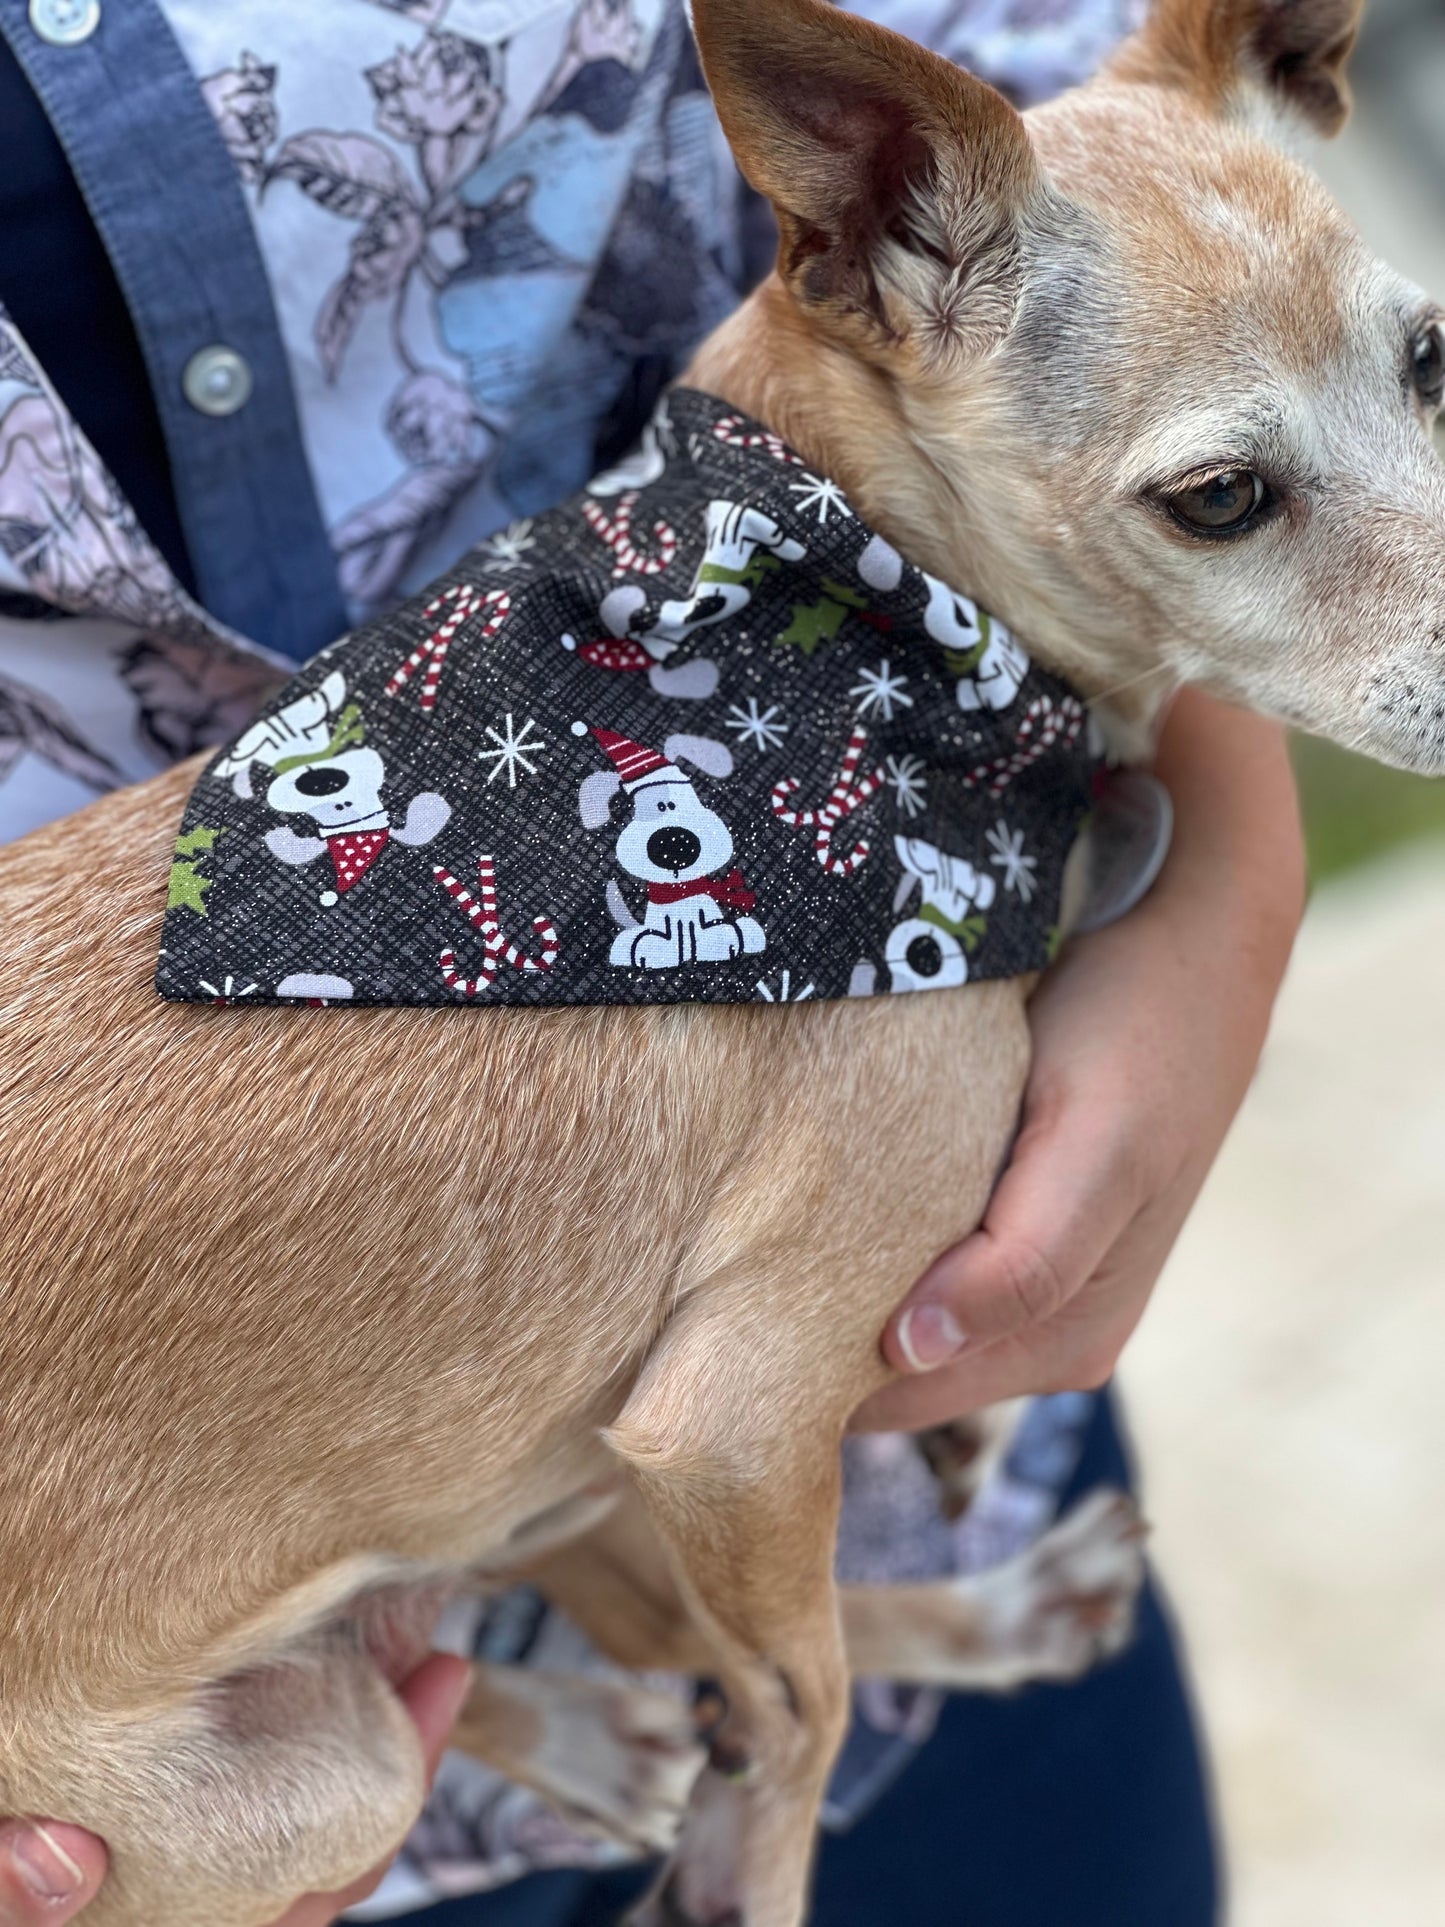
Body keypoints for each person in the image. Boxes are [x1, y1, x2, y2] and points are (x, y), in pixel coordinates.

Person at [0, 2, 1305, 1922]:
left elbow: (1107, 153)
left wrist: (1227, 881)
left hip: (899, 1135)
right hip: (286, 1793)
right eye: (1224, 497)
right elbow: (716, 1426)